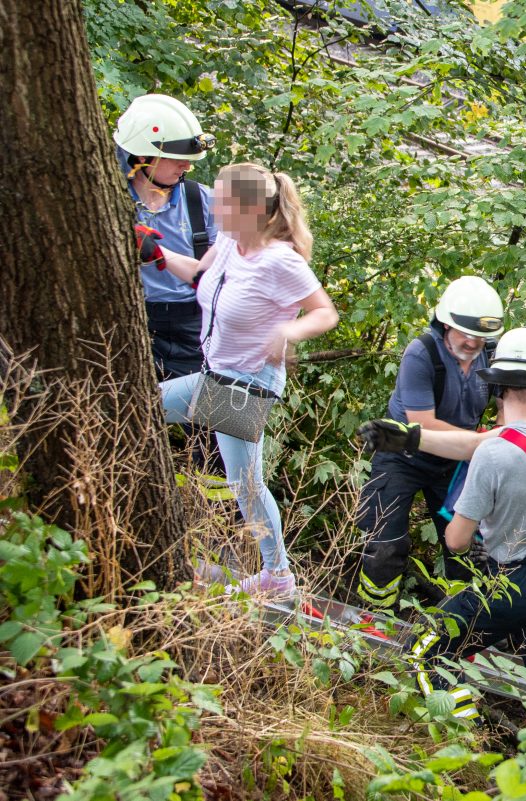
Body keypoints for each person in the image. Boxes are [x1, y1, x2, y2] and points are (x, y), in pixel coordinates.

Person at [356, 326, 526, 734]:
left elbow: (456, 540)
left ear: (496, 385)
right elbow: (480, 444)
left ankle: (464, 735)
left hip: (512, 582)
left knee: (425, 650)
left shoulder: (496, 455)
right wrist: (411, 438)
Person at [144, 163, 339, 596]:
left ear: (249, 209)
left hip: (245, 384)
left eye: (221, 200)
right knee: (139, 407)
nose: (211, 205)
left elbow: (326, 312)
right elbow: (196, 274)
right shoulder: (230, 242)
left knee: (245, 484)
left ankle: (279, 577)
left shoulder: (280, 261)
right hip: (213, 374)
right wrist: (154, 253)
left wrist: (289, 331)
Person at [355, 276, 505, 609]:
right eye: (464, 333)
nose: (471, 342)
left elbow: (506, 409)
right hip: (403, 452)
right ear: (445, 324)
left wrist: (500, 432)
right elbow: (424, 425)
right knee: (385, 539)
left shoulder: (491, 357)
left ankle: (461, 621)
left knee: (465, 545)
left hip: (455, 462)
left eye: (479, 336)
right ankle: (376, 615)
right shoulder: (421, 353)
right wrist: (484, 442)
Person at [114, 94, 219, 380]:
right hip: (132, 326)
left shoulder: (202, 201)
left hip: (196, 330)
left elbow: (221, 276)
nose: (186, 166)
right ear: (142, 156)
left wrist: (157, 252)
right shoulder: (109, 204)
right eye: (177, 159)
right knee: (132, 417)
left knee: (223, 419)